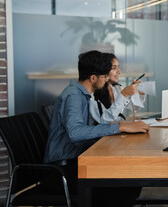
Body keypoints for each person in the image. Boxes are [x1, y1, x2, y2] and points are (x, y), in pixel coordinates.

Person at [44, 50, 149, 206]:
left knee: (130, 180)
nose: (107, 78)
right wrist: (119, 127)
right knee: (126, 187)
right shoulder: (73, 96)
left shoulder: (83, 96)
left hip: (75, 162)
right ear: (93, 78)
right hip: (62, 172)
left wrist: (121, 126)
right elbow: (75, 133)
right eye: (104, 76)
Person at [90, 53, 145, 123]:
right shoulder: (93, 96)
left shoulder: (116, 88)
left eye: (118, 67)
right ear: (104, 69)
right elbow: (106, 121)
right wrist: (124, 94)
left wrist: (140, 93)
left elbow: (133, 107)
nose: (119, 71)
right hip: (104, 133)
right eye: (114, 68)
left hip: (117, 131)